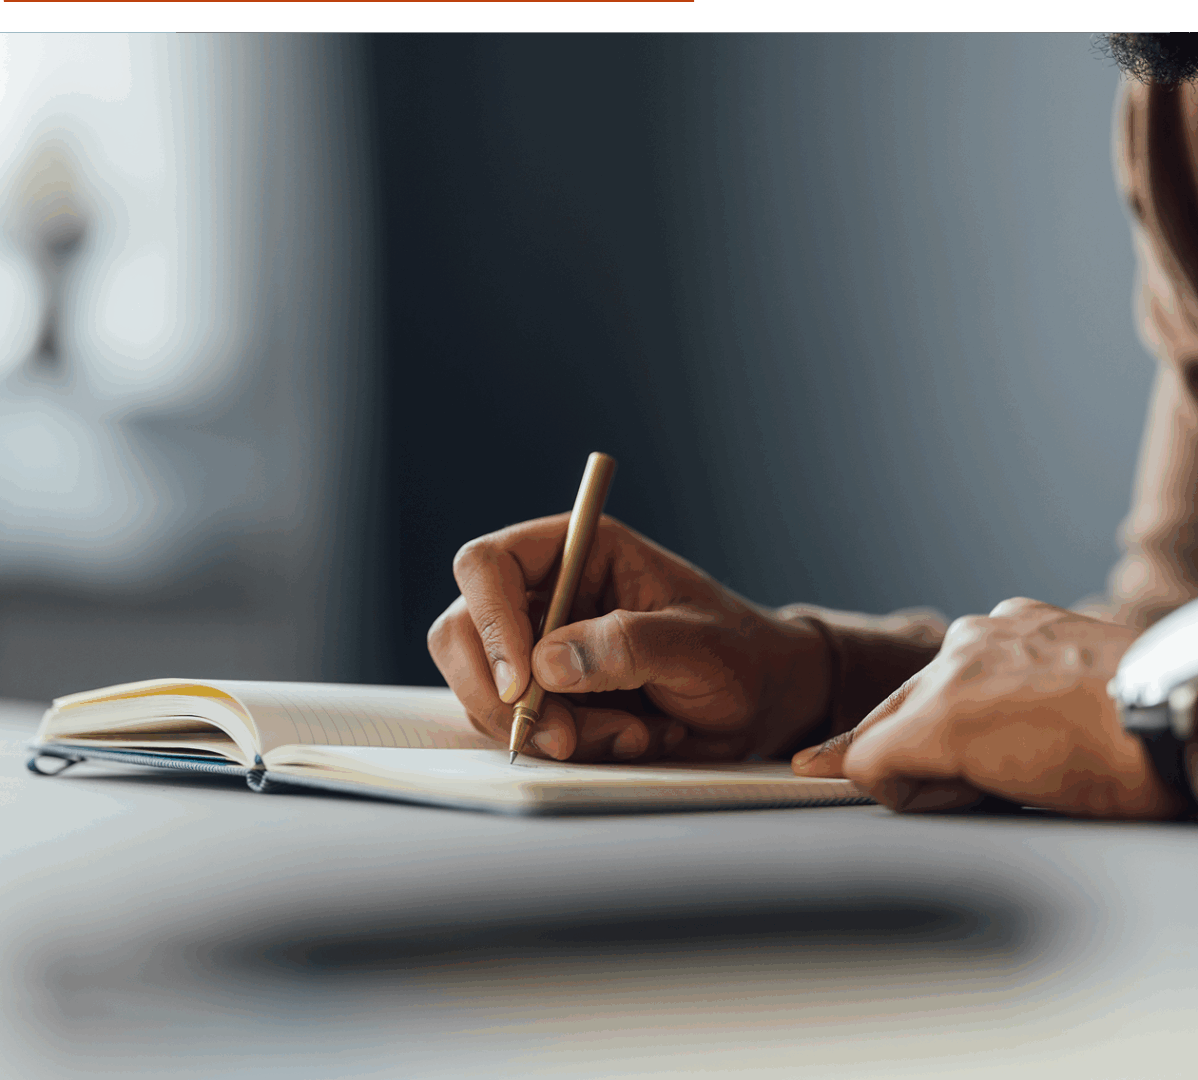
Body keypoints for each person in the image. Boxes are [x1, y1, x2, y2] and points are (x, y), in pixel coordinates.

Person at [427, 34, 1198, 822]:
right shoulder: (1181, 101)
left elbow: (1153, 692)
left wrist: (1160, 717)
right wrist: (804, 679)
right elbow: (1170, 629)